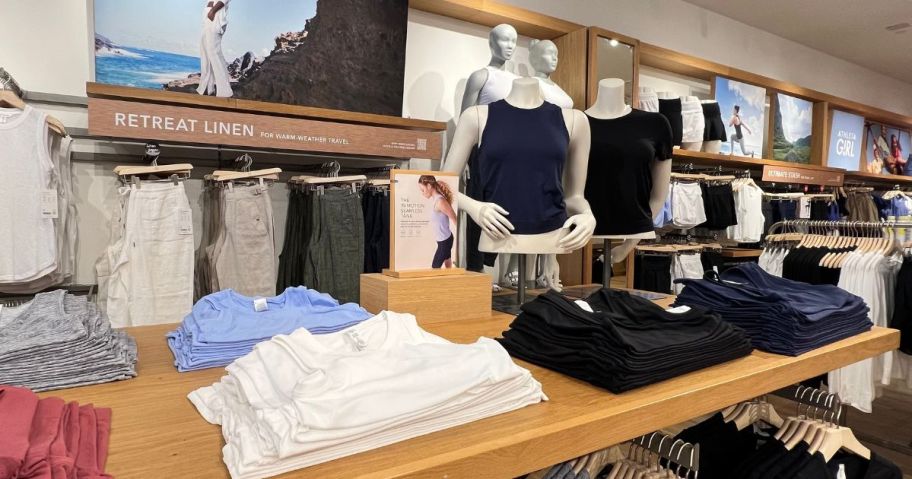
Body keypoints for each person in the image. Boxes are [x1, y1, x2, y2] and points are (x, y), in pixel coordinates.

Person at [418, 175, 457, 269]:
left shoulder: (440, 202)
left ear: (429, 186)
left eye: (422, 190)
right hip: (442, 240)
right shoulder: (436, 200)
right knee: (448, 263)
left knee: (435, 268)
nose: (422, 193)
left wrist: (461, 243)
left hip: (445, 241)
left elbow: (454, 218)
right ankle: (450, 281)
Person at [198, 0, 233, 98]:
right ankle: (208, 88)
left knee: (214, 53)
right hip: (208, 16)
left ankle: (225, 91)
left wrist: (212, 11)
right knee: (206, 53)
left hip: (215, 16)